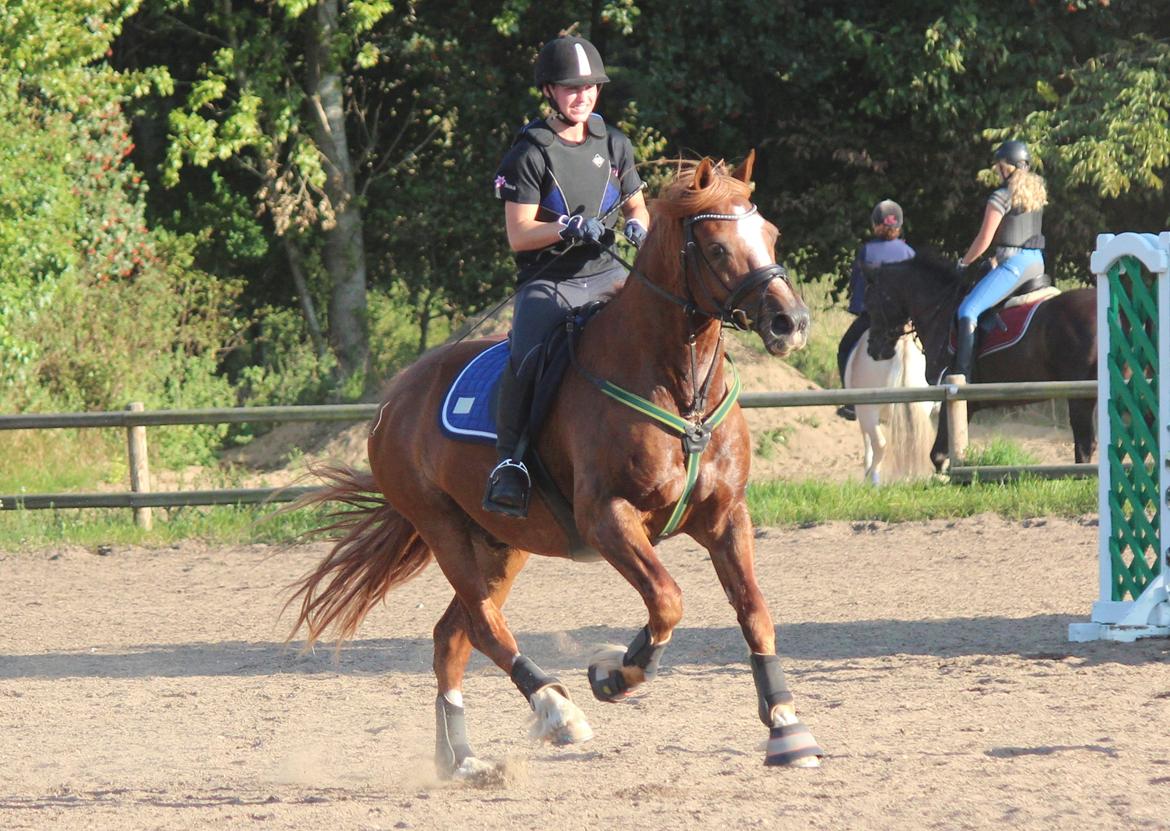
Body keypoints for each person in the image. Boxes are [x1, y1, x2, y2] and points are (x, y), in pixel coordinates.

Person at [483, 34, 650, 518]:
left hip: (607, 275)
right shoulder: (530, 151)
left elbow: (637, 203)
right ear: (550, 92)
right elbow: (519, 234)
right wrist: (566, 226)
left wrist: (639, 226)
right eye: (572, 89)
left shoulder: (614, 142)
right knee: (528, 354)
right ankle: (509, 463)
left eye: (591, 88)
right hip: (550, 283)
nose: (583, 97)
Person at [953, 139, 1047, 382]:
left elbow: (984, 239)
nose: (997, 171)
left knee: (968, 310)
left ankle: (962, 377)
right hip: (1036, 261)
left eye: (1000, 166)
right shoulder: (1035, 195)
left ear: (1008, 167)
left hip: (1015, 265)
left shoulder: (1001, 196)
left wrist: (964, 263)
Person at [835, 199, 915, 420]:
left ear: (876, 225)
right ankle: (937, 395)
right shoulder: (909, 252)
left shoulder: (867, 251)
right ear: (898, 225)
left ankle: (851, 402)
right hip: (905, 320)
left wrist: (857, 307)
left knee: (844, 349)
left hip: (874, 319)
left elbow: (858, 287)